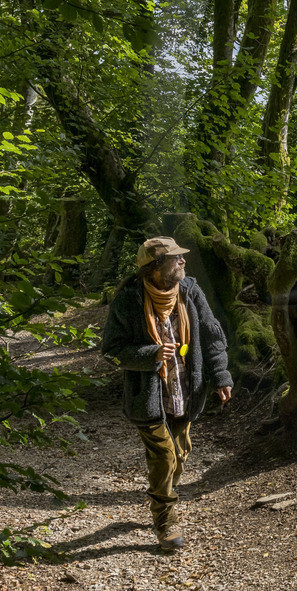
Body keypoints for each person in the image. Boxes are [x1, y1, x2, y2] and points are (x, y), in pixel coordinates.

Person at [100, 236, 233, 552]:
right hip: (148, 397)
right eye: (175, 258)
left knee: (178, 458)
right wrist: (151, 354)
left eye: (182, 257)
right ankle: (166, 520)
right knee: (164, 456)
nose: (183, 261)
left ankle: (163, 491)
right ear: (154, 268)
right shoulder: (129, 300)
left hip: (186, 392)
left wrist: (221, 377)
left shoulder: (190, 292)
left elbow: (212, 336)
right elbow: (113, 351)